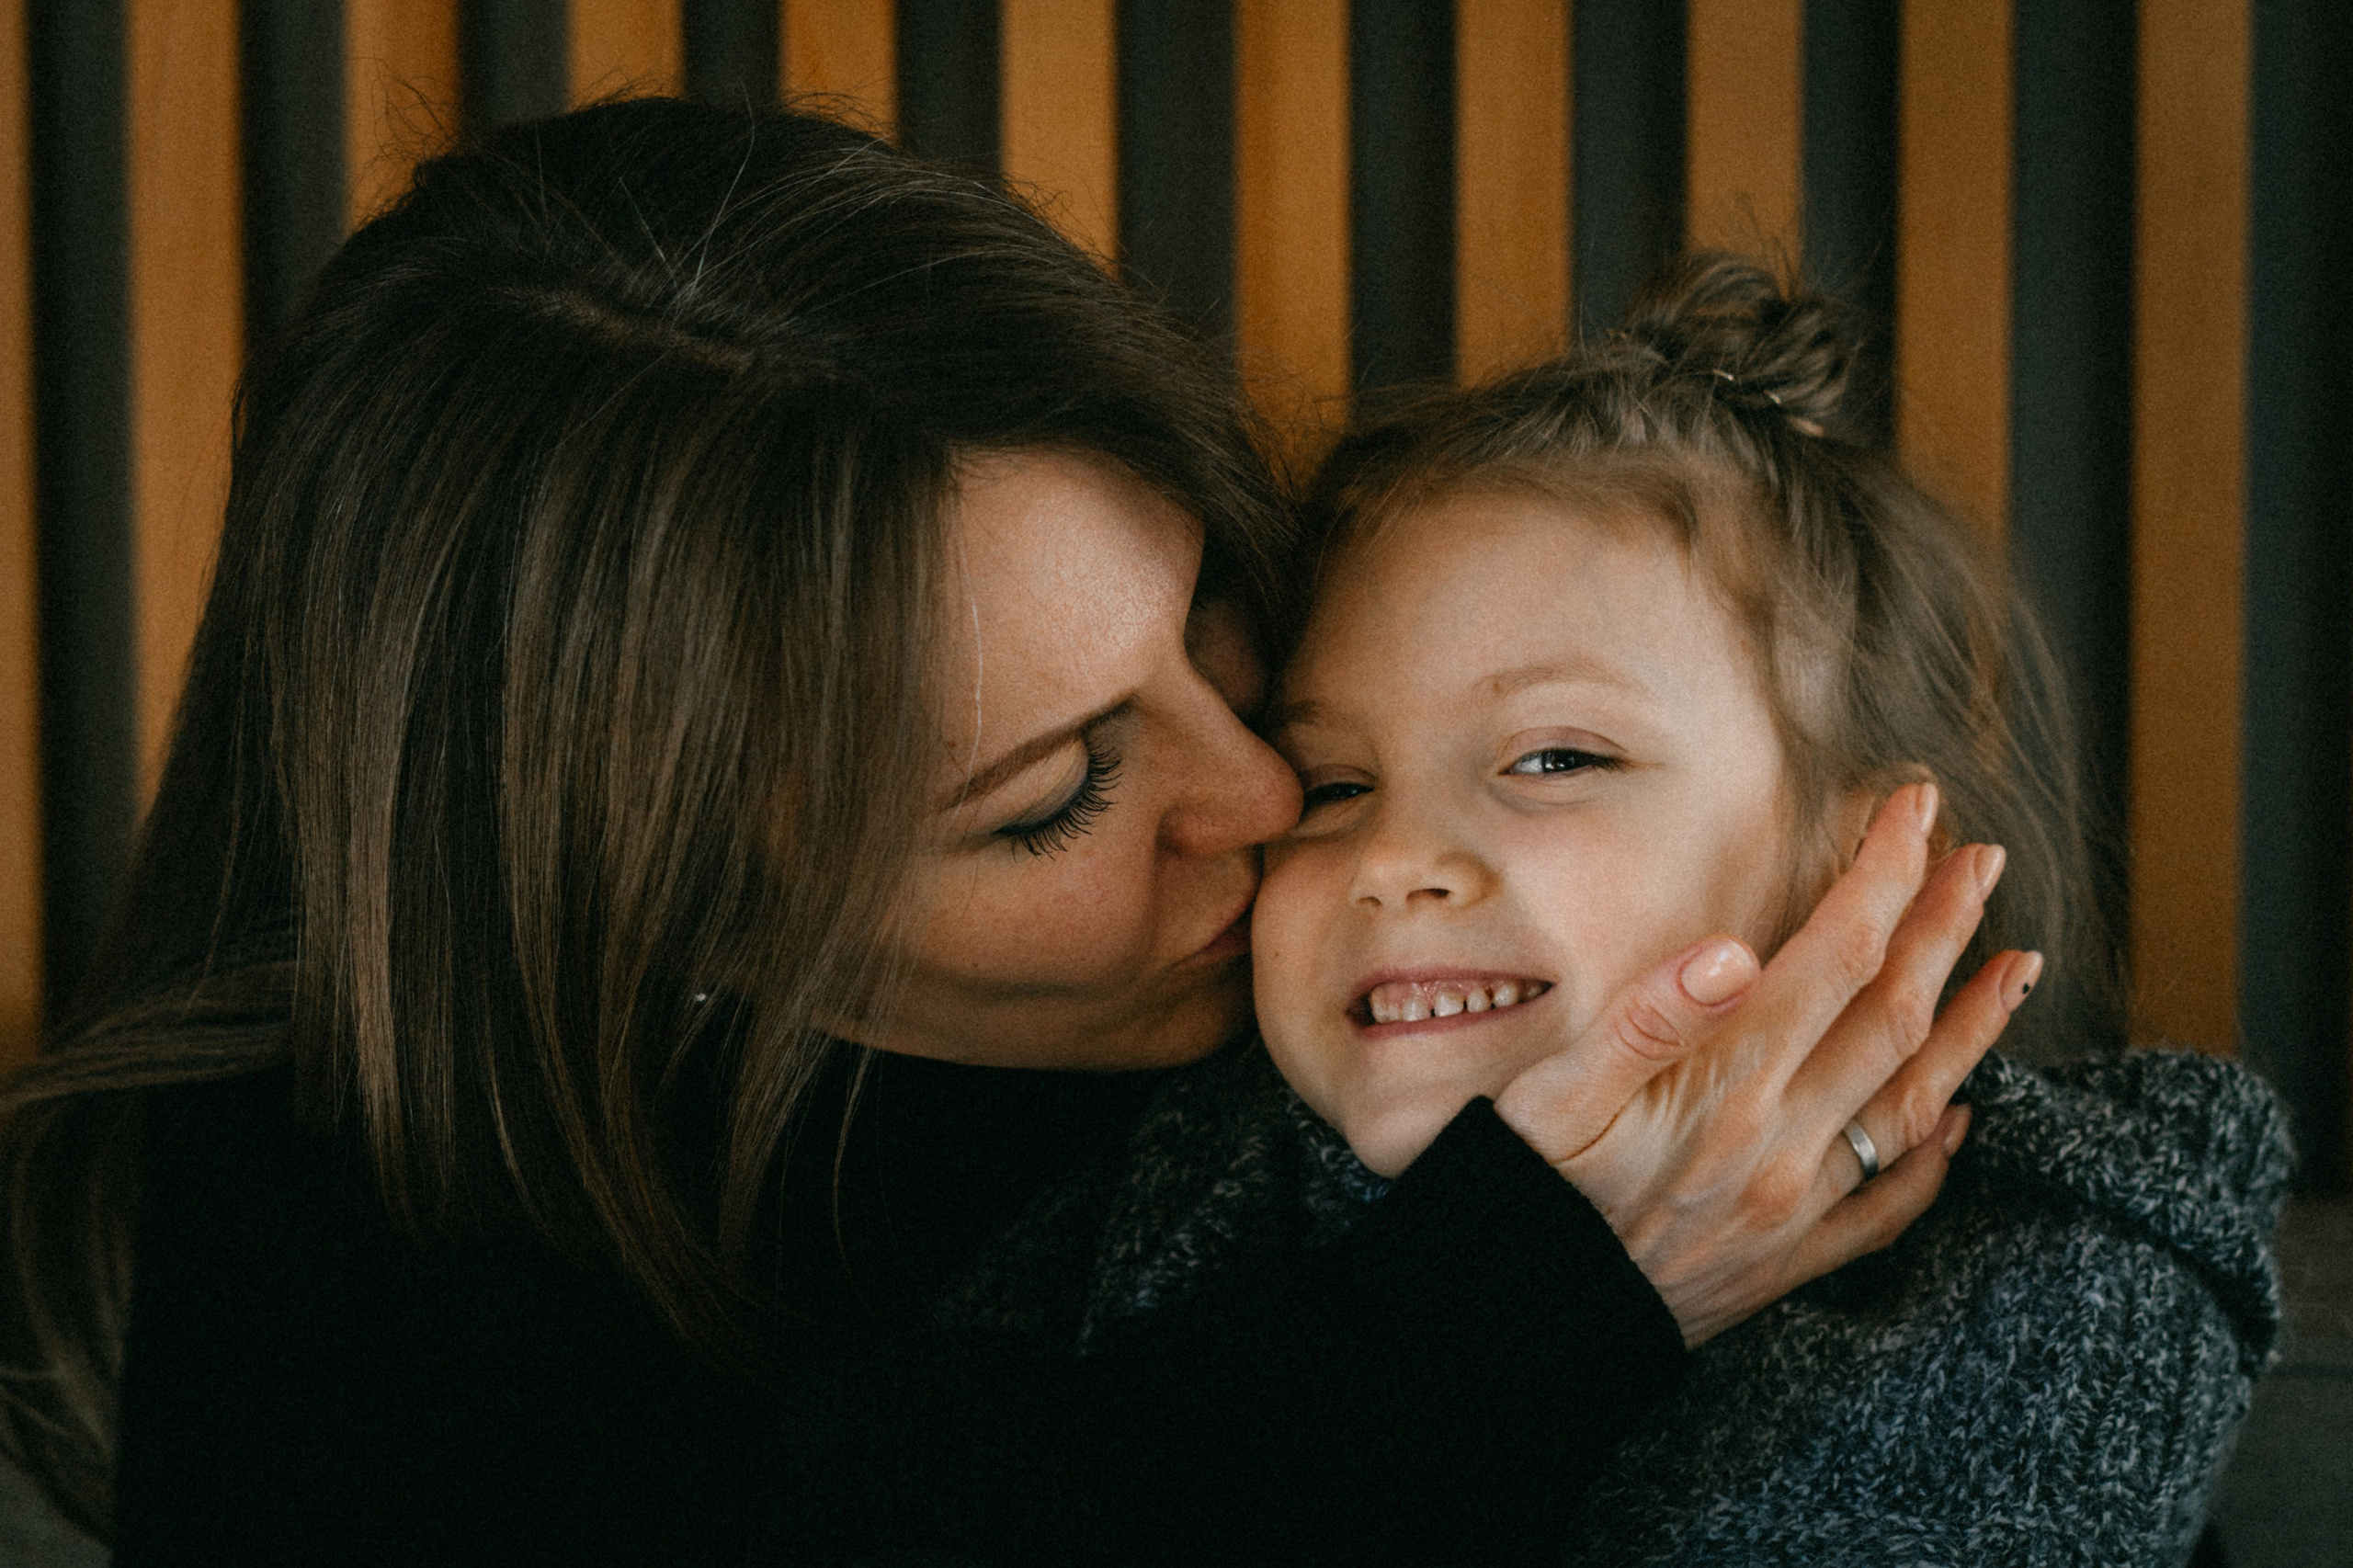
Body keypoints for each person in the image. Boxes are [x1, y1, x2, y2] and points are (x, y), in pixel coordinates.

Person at [0, 107, 2013, 1565]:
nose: (1259, 805)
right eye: (1055, 790)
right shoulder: (338, 1268)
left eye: (1227, 623)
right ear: (673, 911)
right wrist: (1515, 1309)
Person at [993, 253, 2286, 1564]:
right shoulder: (1161, 1180)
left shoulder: (2058, 1281)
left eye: (1555, 758)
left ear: (1873, 870)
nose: (1395, 856)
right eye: (1334, 782)